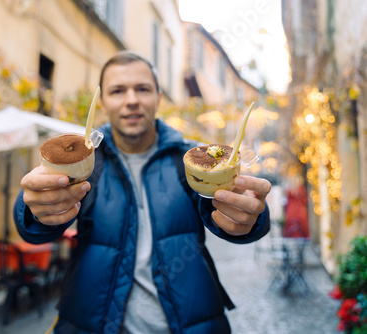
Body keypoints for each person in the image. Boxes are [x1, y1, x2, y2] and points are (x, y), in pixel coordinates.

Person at [14, 50, 271, 334]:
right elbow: (38, 229)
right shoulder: (82, 162)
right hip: (92, 322)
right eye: (118, 90)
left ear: (159, 98)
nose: (132, 100)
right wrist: (34, 211)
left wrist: (248, 217)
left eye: (143, 89)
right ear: (103, 103)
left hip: (191, 324)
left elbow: (227, 214)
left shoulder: (191, 160)